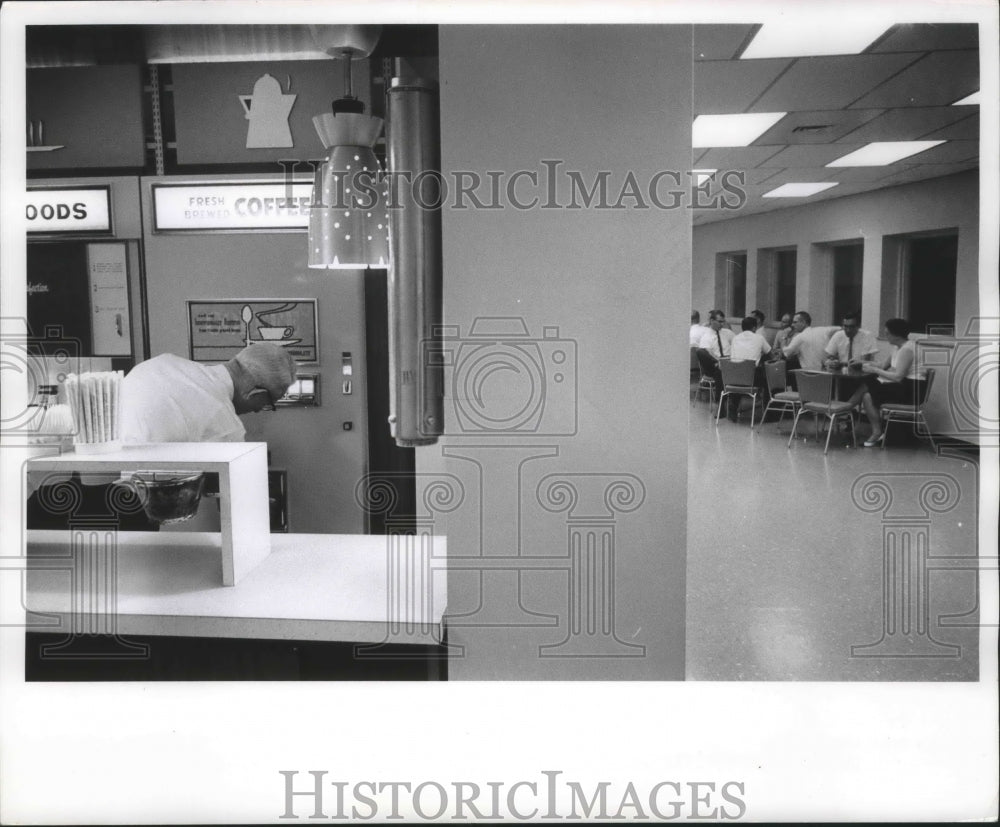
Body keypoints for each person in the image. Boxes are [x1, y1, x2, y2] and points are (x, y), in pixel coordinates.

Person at [121, 343, 297, 443]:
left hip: (100, 483)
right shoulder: (225, 424)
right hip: (143, 499)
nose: (259, 411)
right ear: (256, 393)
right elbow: (236, 494)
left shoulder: (163, 363)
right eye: (268, 404)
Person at [845, 318, 928, 447]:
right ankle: (877, 432)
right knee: (867, 395)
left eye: (887, 333)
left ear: (896, 335)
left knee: (868, 382)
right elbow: (883, 365)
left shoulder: (907, 350)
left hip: (912, 390)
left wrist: (874, 370)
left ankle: (846, 408)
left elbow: (898, 377)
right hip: (903, 386)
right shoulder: (897, 347)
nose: (886, 336)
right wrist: (862, 362)